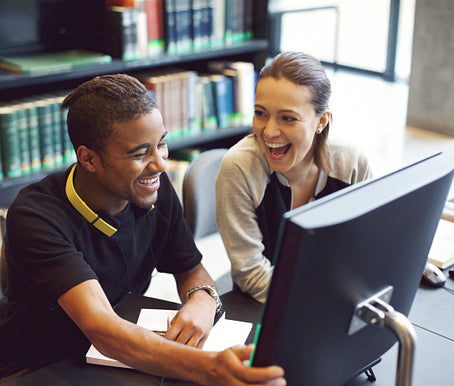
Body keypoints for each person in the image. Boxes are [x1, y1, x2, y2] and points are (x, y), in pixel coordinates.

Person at [0, 73, 285, 385]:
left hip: (122, 351)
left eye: (161, 144)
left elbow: (190, 269)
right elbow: (102, 328)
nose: (160, 164)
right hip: (44, 364)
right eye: (139, 153)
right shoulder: (36, 216)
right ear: (89, 159)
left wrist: (203, 298)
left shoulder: (152, 190)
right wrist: (209, 367)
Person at [215, 52, 373, 303]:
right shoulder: (239, 168)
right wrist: (318, 303)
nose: (269, 131)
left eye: (288, 118)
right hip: (265, 303)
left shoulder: (351, 164)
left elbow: (364, 247)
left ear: (321, 121)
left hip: (333, 296)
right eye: (261, 113)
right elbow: (251, 273)